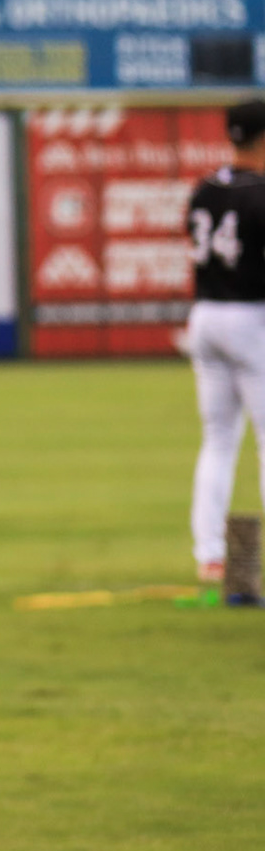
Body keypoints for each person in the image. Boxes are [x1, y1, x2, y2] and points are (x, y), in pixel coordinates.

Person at [183, 99, 265, 584]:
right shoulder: (262, 193)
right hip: (251, 317)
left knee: (218, 440)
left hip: (206, 316)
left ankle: (210, 554)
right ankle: (217, 553)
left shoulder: (205, 188)